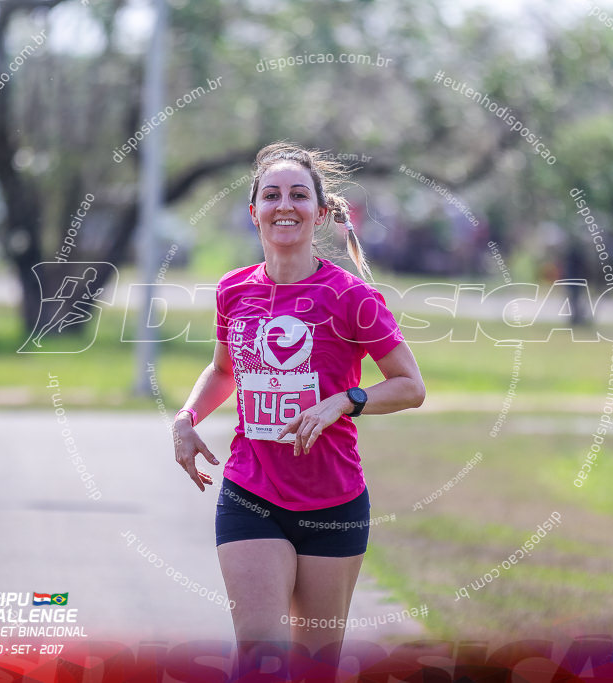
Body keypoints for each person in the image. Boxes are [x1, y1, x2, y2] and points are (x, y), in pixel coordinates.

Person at [172, 142, 425, 679]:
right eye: (271, 195)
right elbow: (223, 371)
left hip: (333, 501)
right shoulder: (233, 291)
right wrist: (187, 418)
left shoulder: (352, 297)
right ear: (254, 211)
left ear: (321, 211)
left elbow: (410, 386)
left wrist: (346, 401)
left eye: (298, 194)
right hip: (252, 492)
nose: (283, 205)